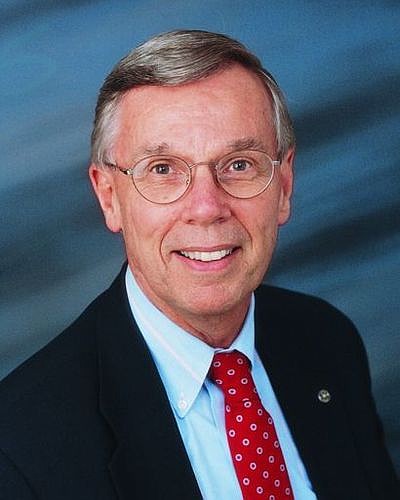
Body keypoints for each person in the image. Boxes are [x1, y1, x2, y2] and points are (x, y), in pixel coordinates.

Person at [0, 30, 398, 500]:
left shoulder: (327, 340)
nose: (207, 208)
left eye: (239, 164)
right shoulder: (21, 447)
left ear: (285, 185)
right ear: (109, 198)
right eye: (163, 169)